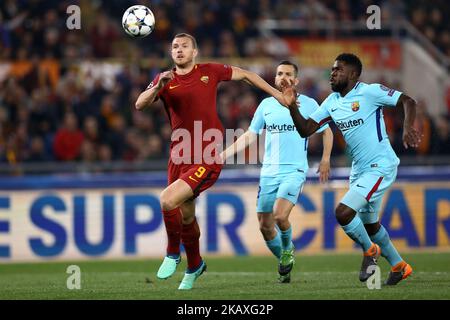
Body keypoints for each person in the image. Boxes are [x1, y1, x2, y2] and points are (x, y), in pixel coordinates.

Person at [135, 33, 288, 290]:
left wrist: (277, 95)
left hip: (207, 154)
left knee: (167, 200)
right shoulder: (165, 79)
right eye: (175, 47)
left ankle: (173, 253)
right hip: (180, 155)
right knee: (185, 215)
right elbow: (140, 104)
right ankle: (195, 266)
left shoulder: (211, 71)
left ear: (195, 52)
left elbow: (248, 75)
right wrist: (157, 85)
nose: (179, 50)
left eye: (185, 46)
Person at [283, 53, 421, 285]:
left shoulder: (370, 92)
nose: (333, 73)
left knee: (343, 213)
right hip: (359, 169)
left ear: (354, 75)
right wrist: (292, 108)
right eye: (332, 69)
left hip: (380, 165)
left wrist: (408, 127)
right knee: (371, 225)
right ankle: (399, 265)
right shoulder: (331, 101)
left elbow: (408, 101)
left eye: (339, 69)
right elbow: (306, 129)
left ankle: (370, 251)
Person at [221, 61, 333, 283]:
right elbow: (251, 135)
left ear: (296, 80)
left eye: (288, 74)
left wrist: (326, 159)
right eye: (279, 73)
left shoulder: (309, 104)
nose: (283, 77)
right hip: (269, 172)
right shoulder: (266, 105)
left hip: (294, 170)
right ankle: (285, 260)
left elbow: (326, 131)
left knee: (280, 215)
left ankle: (287, 251)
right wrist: (224, 154)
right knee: (264, 225)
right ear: (274, 79)